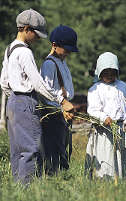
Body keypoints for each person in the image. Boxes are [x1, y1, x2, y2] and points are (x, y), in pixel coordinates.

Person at [0, 9, 74, 184]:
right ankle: (27, 191)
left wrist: (14, 97)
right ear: (27, 29)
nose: (38, 39)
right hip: (26, 100)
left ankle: (17, 188)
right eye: (36, 34)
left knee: (17, 151)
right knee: (31, 149)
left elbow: (4, 81)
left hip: (12, 102)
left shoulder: (10, 48)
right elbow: (38, 83)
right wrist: (61, 101)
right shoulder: (25, 52)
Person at [84, 52, 126, 180]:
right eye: (106, 72)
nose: (109, 75)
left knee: (121, 158)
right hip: (104, 130)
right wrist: (104, 118)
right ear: (99, 72)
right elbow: (93, 110)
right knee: (106, 158)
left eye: (112, 71)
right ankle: (105, 183)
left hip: (120, 130)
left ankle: (121, 182)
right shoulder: (96, 89)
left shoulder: (123, 87)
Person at [39, 25, 78, 175]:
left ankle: (60, 179)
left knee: (63, 152)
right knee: (52, 153)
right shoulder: (49, 64)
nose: (68, 52)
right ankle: (52, 181)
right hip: (52, 114)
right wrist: (62, 104)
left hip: (62, 112)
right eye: (66, 49)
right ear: (54, 45)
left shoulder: (62, 62)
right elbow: (46, 92)